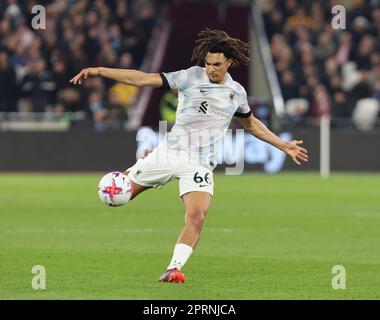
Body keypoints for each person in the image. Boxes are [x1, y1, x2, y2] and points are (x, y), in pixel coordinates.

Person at [70, 29, 309, 283]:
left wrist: (283, 145)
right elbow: (142, 79)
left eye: (217, 64)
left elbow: (251, 125)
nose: (211, 69)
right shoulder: (189, 77)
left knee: (197, 216)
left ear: (230, 63)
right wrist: (98, 71)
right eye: (207, 64)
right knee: (122, 193)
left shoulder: (236, 93)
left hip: (199, 164)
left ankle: (173, 268)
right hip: (169, 153)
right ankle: (132, 172)